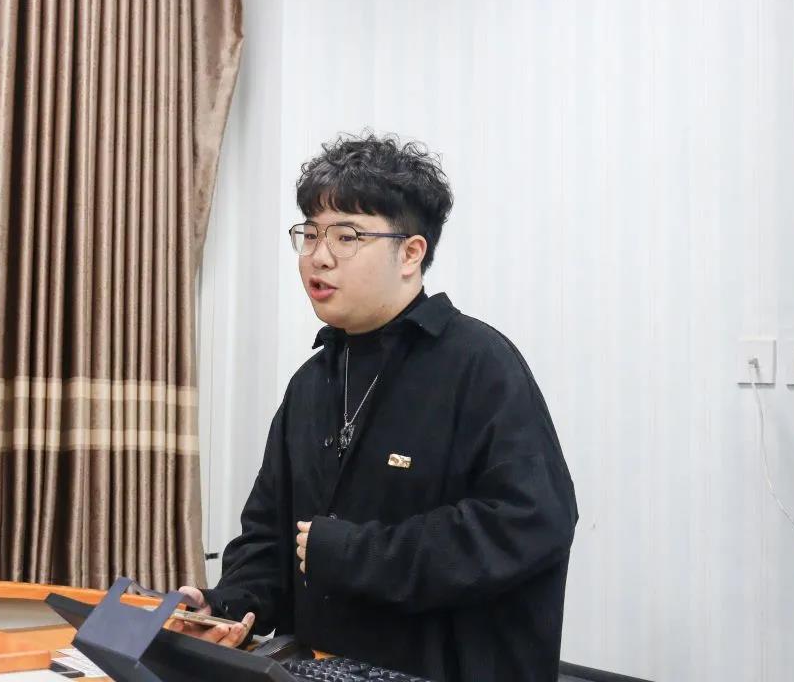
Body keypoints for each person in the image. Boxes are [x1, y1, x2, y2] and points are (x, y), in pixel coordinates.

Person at [179, 133, 578, 681]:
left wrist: (357, 553)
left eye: (346, 236)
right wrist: (229, 605)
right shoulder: (311, 384)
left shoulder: (479, 363)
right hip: (321, 667)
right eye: (310, 234)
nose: (318, 256)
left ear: (411, 253)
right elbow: (270, 537)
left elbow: (531, 523)